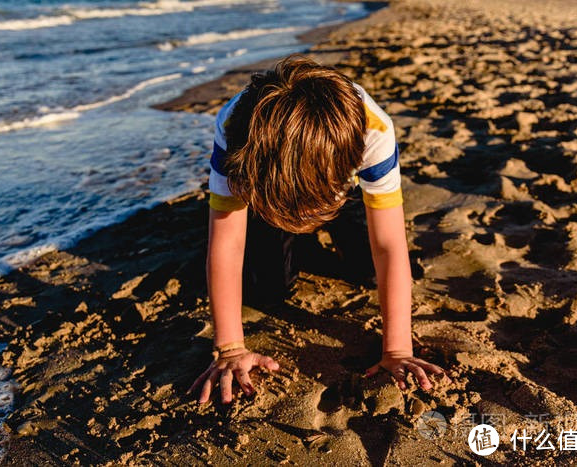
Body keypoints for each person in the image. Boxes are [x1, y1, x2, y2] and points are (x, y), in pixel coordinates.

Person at [188, 55, 445, 404]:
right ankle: (286, 237)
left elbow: (388, 245)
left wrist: (398, 349)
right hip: (268, 187)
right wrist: (229, 347)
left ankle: (310, 230)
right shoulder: (236, 130)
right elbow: (229, 242)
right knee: (268, 287)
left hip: (342, 189)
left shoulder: (373, 131)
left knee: (370, 271)